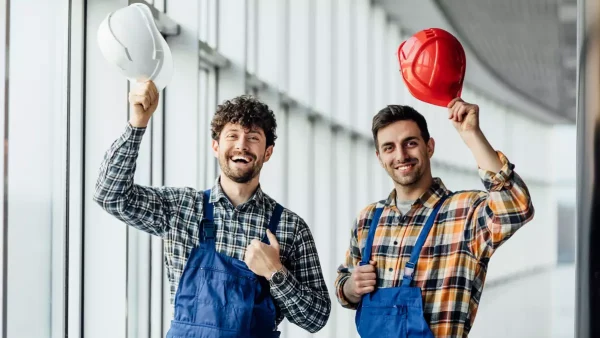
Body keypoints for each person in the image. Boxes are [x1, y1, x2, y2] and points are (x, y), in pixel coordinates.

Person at [94, 81, 331, 337]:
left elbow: (316, 318)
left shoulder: (290, 227)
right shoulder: (181, 208)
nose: (242, 145)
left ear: (268, 152)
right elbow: (110, 195)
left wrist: (276, 273)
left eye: (253, 138)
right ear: (216, 146)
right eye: (232, 135)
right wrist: (137, 123)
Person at [334, 98, 534, 337]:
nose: (401, 155)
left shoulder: (464, 212)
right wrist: (351, 288)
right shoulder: (369, 218)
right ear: (379, 157)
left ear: (429, 146)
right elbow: (343, 283)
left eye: (410, 143)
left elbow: (516, 208)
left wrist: (472, 135)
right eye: (389, 147)